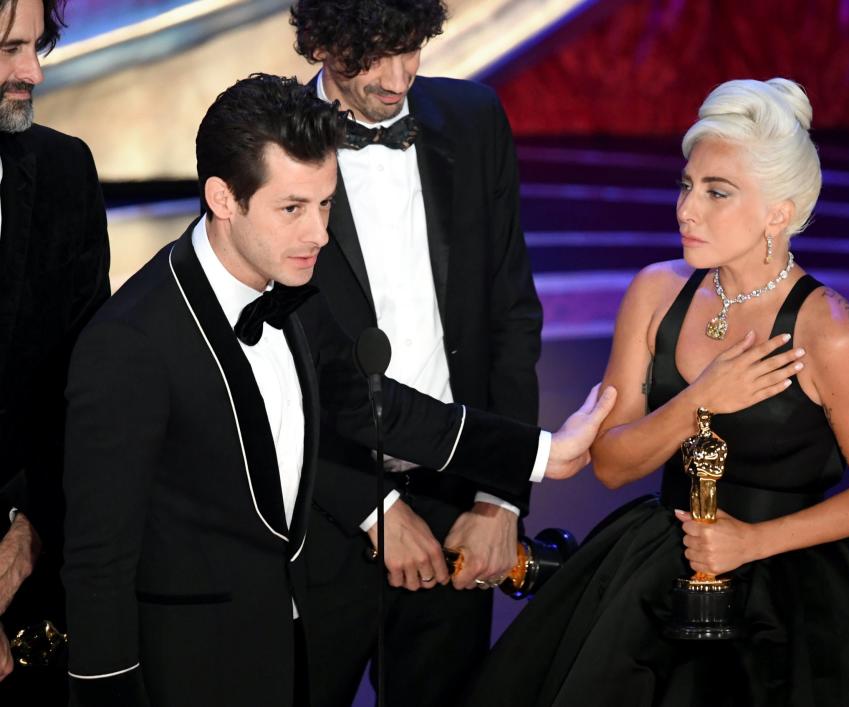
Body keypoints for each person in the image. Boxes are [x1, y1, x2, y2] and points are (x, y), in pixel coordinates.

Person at [61, 73, 613, 707]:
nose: (319, 233)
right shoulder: (130, 342)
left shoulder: (296, 295)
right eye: (292, 208)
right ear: (222, 198)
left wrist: (542, 453)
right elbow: (98, 560)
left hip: (291, 648)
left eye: (326, 205)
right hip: (188, 668)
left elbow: (379, 409)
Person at [461, 78, 849, 707]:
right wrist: (701, 398)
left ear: (778, 211)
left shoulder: (829, 330)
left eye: (717, 192)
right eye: (686, 185)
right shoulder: (655, 291)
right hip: (649, 573)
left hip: (793, 590)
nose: (686, 209)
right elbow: (613, 466)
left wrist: (752, 542)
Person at [289, 2, 543, 705]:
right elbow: (268, 369)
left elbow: (512, 316)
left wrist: (499, 496)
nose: (400, 77)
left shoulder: (474, 119)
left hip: (458, 502)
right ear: (323, 38)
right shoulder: (264, 138)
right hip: (323, 512)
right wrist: (375, 510)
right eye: (376, 53)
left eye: (413, 49)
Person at [0, 0, 110, 700]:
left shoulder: (65, 170)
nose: (32, 72)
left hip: (33, 586)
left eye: (37, 46)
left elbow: (86, 386)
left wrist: (25, 530)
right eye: (10, 49)